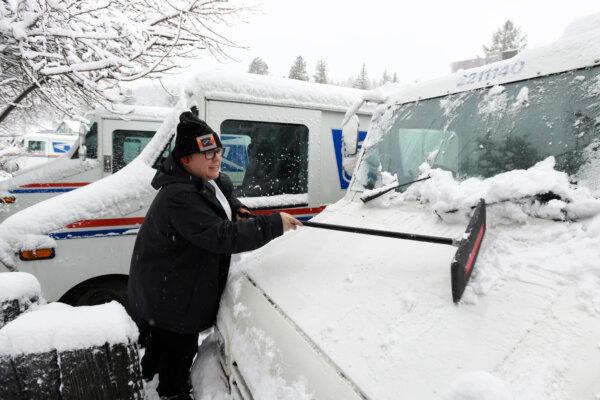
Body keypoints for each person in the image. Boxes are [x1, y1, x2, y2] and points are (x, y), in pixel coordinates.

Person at [128, 111, 302, 400]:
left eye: (218, 151)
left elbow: (221, 199)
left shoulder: (206, 180)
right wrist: (274, 223)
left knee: (163, 354)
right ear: (185, 160)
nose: (216, 159)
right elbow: (222, 237)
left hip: (175, 293)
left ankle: (151, 381)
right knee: (175, 361)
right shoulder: (179, 197)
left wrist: (236, 208)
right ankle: (169, 392)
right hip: (170, 302)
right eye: (207, 153)